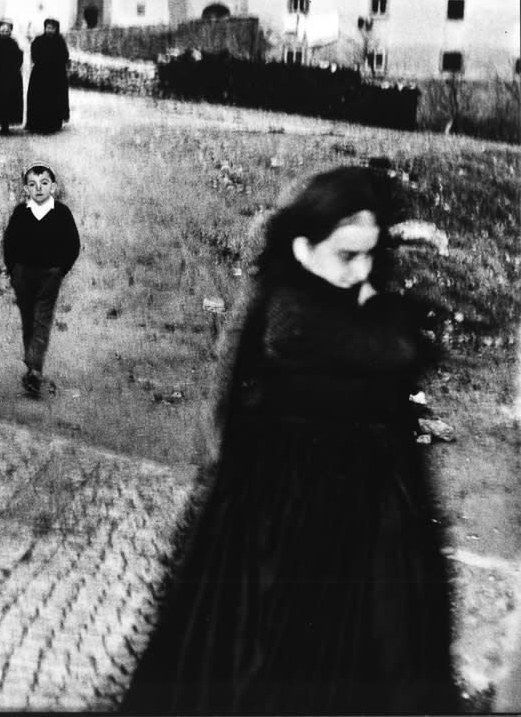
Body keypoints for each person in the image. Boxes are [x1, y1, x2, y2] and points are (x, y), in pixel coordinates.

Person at [120, 166, 459, 714]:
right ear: (304, 249)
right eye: (347, 256)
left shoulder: (329, 294)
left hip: (358, 526)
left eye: (370, 255)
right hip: (287, 525)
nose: (361, 271)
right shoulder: (288, 315)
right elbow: (395, 350)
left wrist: (377, 252)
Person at [2, 161, 80, 398]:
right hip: (24, 274)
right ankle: (32, 362)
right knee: (28, 318)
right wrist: (13, 270)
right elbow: (10, 243)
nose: (39, 189)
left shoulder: (62, 213)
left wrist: (60, 269)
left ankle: (35, 370)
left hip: (49, 275)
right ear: (26, 189)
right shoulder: (20, 213)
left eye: (44, 183)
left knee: (42, 320)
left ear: (53, 187)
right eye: (33, 184)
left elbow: (72, 245)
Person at [25, 18, 70, 134]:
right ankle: (36, 123)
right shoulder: (39, 40)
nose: (50, 30)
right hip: (40, 74)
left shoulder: (60, 41)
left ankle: (53, 124)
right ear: (45, 28)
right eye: (48, 28)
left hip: (56, 75)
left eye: (53, 28)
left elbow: (65, 56)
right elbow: (34, 54)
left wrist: (55, 63)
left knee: (54, 98)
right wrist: (43, 61)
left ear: (56, 29)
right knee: (39, 97)